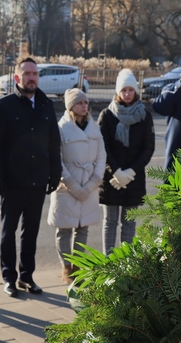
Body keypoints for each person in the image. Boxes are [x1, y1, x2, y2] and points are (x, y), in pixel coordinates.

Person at [0, 57, 61, 297]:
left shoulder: (45, 105)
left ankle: (26, 276)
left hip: (38, 181)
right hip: (12, 182)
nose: (32, 78)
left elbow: (54, 142)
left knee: (30, 232)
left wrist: (55, 172)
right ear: (17, 78)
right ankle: (9, 277)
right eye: (27, 74)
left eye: (35, 74)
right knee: (8, 232)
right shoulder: (5, 105)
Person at [47, 89, 106, 284]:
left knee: (83, 228)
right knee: (64, 229)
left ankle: (78, 265)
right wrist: (72, 184)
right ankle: (66, 266)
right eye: (80, 103)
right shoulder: (61, 128)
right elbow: (57, 159)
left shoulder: (94, 128)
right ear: (71, 106)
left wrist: (93, 182)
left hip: (89, 184)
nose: (84, 106)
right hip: (67, 187)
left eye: (86, 103)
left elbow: (101, 156)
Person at [97, 69, 155, 255]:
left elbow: (148, 148)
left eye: (131, 89)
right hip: (111, 178)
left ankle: (126, 263)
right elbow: (103, 147)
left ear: (136, 91)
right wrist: (116, 171)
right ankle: (109, 263)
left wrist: (130, 172)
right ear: (118, 92)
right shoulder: (107, 115)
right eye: (124, 90)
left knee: (129, 222)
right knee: (110, 222)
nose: (127, 93)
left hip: (134, 178)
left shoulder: (145, 116)